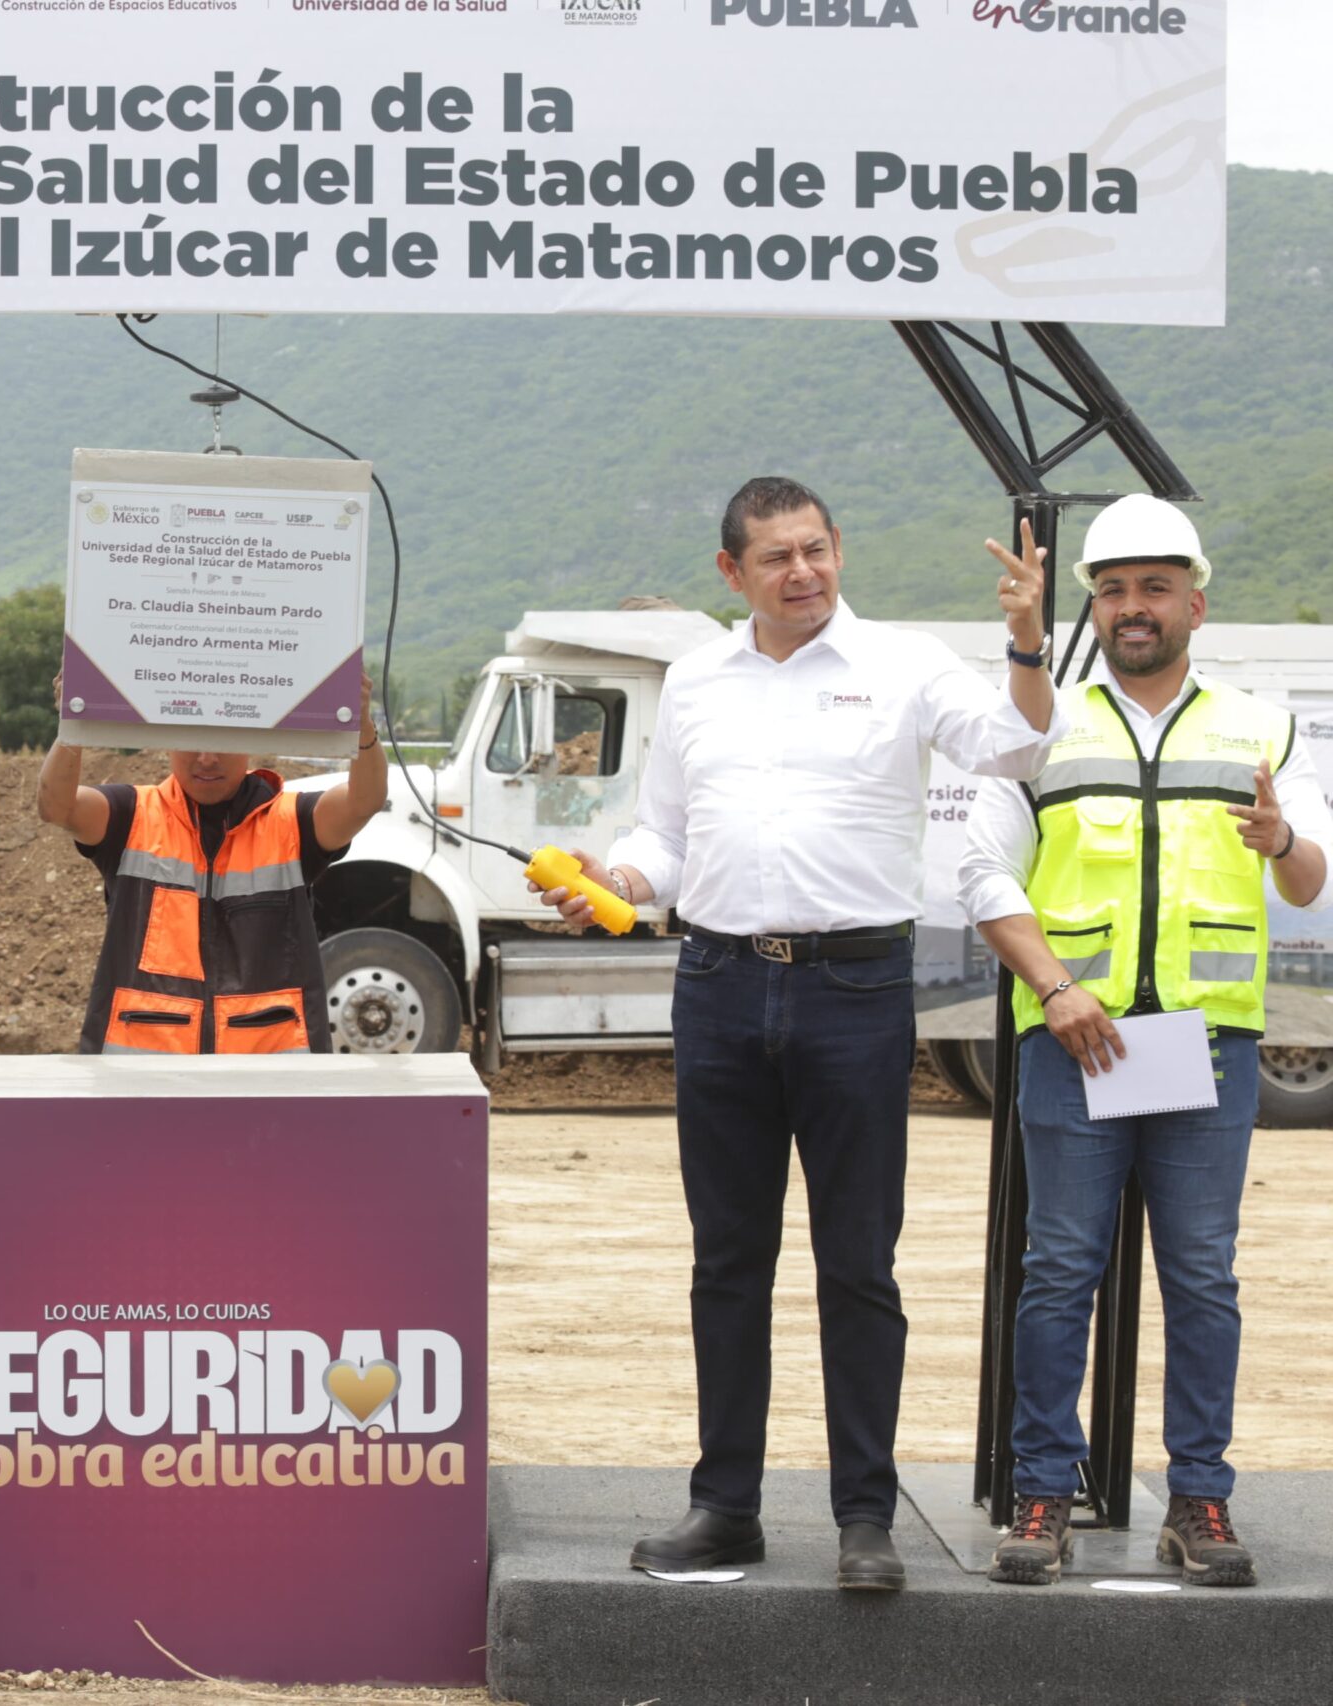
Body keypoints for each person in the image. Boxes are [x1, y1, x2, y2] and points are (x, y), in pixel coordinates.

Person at [539, 476, 1059, 1590]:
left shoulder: (906, 664)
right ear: (731, 573)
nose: (803, 573)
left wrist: (1024, 636)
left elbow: (1016, 748)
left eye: (816, 549)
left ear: (839, 549)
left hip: (854, 989)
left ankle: (864, 1517)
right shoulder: (694, 680)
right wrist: (614, 878)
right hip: (718, 983)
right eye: (775, 557)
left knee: (856, 1264)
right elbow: (664, 838)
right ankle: (724, 1504)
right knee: (728, 1261)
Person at [959, 495, 1330, 1588]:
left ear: (1195, 603)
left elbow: (1310, 877)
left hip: (1204, 1046)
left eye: (1154, 586)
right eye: (1113, 587)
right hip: (1078, 1038)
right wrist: (1057, 986)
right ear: (1093, 602)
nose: (1133, 606)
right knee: (1059, 1268)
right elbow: (982, 875)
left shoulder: (1261, 725)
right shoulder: (1043, 726)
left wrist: (1283, 838)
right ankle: (1041, 1494)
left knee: (1201, 1277)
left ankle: (1198, 1501)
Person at [37, 675, 388, 1054]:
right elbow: (56, 806)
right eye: (191, 741)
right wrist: (73, 724)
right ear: (167, 740)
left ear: (251, 741)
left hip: (267, 1074)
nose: (206, 759)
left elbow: (363, 802)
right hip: (145, 1076)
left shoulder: (291, 821)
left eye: (222, 741)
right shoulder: (131, 816)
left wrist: (362, 723)